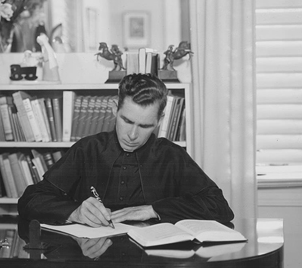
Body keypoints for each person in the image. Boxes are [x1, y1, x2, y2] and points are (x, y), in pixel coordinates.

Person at [18, 74, 234, 227]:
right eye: (127, 120)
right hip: (93, 263)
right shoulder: (88, 149)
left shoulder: (171, 155)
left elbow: (219, 206)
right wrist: (74, 212)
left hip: (155, 266)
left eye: (145, 126)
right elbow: (30, 199)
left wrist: (153, 209)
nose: (132, 135)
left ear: (159, 121)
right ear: (114, 110)